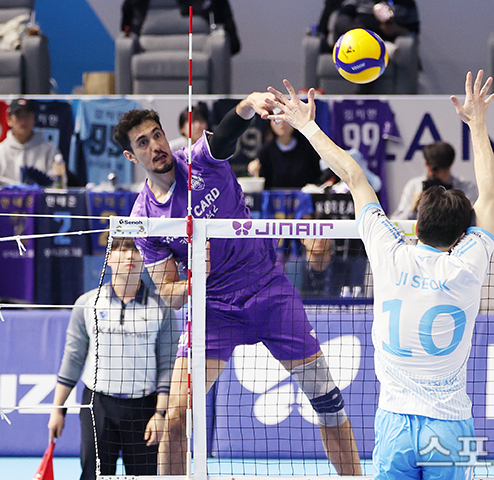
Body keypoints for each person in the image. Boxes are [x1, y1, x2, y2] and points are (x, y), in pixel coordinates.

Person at [113, 93, 362, 476]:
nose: (155, 146)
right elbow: (170, 295)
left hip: (269, 292)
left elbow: (226, 134)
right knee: (175, 417)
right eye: (143, 142)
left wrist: (247, 105)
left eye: (157, 135)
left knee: (328, 404)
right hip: (213, 309)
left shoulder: (198, 161)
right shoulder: (145, 218)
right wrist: (195, 278)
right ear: (131, 156)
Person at [266, 70, 494, 479]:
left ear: (416, 224)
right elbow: (491, 192)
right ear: (463, 235)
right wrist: (477, 122)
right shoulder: (468, 263)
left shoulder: (389, 251)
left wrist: (307, 126)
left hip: (395, 426)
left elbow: (353, 175)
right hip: (448, 425)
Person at [47, 236, 177, 479]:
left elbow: (168, 365)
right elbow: (73, 359)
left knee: (143, 476)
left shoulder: (162, 308)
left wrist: (160, 414)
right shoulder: (87, 304)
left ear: (145, 259)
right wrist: (57, 410)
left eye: (136, 250)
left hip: (144, 408)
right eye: (122, 249)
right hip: (97, 405)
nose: (129, 256)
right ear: (108, 258)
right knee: (93, 474)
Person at [392, 141, 478, 220]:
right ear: (426, 164)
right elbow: (396, 222)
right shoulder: (414, 186)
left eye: (443, 168)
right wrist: (413, 208)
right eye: (434, 169)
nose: (437, 174)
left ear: (450, 164)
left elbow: (473, 219)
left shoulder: (466, 187)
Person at [0, 99, 66, 186]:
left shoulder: (49, 150)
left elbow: (58, 185)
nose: (24, 121)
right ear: (9, 120)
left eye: (27, 116)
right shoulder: (1, 150)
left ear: (33, 119)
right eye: (19, 116)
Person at [247, 118, 322, 189]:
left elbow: (317, 175)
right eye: (276, 120)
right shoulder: (265, 151)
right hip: (275, 196)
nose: (281, 123)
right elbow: (261, 178)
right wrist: (253, 170)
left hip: (303, 196)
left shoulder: (307, 147)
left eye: (285, 119)